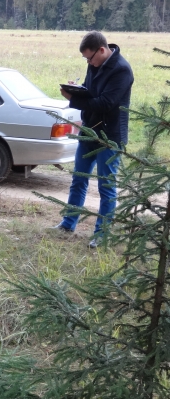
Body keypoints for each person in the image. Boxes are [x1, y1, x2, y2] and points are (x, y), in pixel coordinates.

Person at [52, 31, 134, 248]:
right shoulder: (94, 64)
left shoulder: (122, 70)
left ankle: (101, 234)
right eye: (86, 60)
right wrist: (77, 90)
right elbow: (92, 93)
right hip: (89, 132)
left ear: (102, 50)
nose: (89, 63)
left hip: (110, 137)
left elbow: (105, 103)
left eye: (90, 58)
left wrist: (73, 99)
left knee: (106, 187)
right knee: (79, 179)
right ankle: (68, 223)